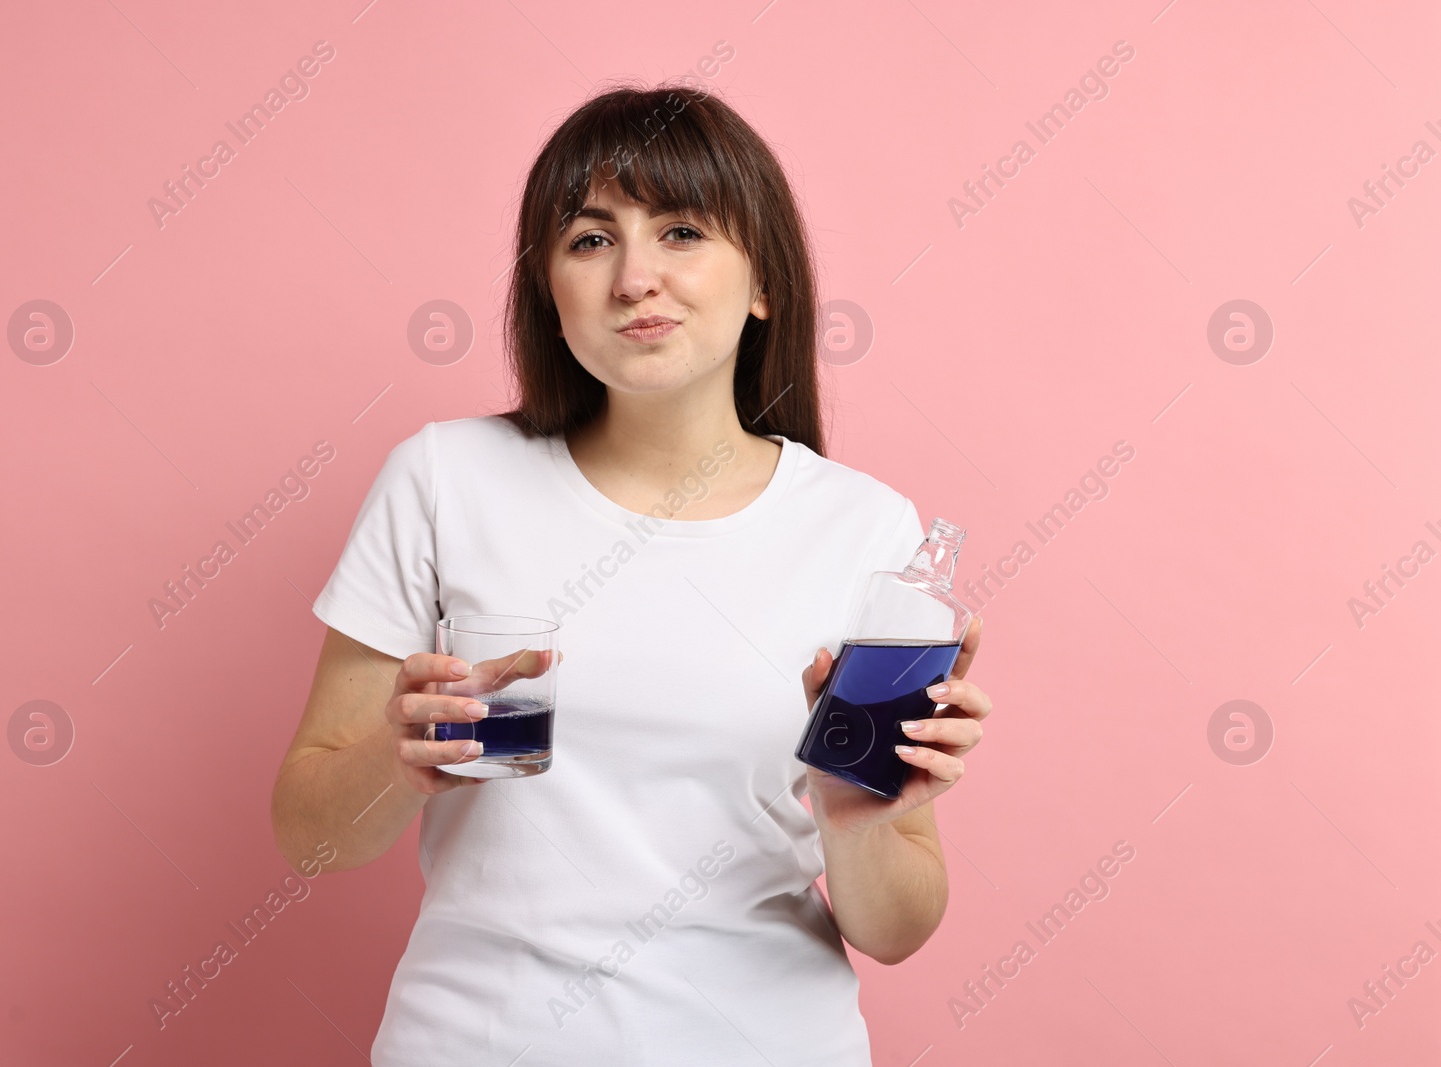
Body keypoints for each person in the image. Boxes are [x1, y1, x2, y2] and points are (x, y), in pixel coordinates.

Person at [271, 81, 993, 1065]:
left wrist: (852, 814)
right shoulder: (445, 477)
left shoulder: (864, 527)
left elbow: (896, 926)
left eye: (683, 232)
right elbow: (311, 832)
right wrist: (398, 761)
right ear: (549, 293)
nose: (634, 278)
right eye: (590, 239)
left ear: (763, 282)